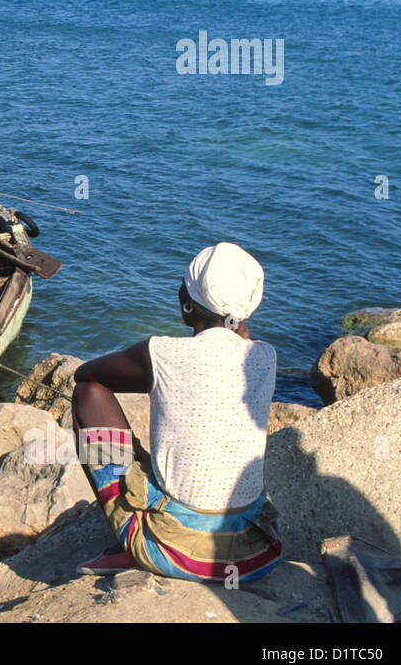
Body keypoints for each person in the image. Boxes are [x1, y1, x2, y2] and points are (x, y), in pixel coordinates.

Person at [69, 242, 282, 582]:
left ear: (189, 304)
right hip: (257, 552)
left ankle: (134, 541)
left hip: (177, 553)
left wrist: (152, 376)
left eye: (184, 286)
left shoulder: (162, 352)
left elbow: (87, 375)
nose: (178, 289)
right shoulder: (265, 355)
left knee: (86, 396)